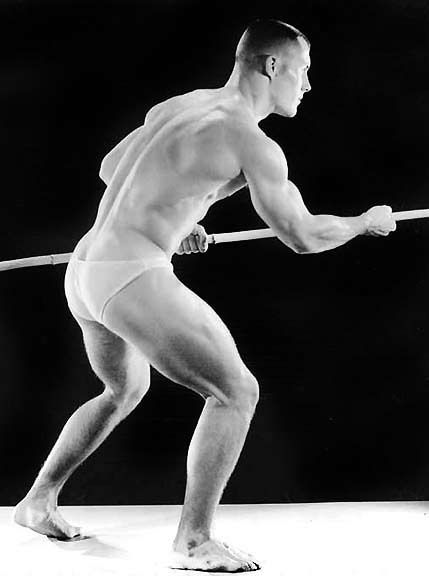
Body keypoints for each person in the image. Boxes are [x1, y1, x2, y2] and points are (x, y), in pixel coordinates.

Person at [14, 18, 396, 572]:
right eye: (305, 71)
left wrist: (183, 216)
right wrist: (365, 223)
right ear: (272, 66)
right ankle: (193, 542)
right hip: (130, 274)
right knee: (235, 391)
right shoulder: (253, 143)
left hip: (85, 268)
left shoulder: (182, 105)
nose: (309, 85)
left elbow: (110, 167)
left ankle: (37, 501)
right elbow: (303, 236)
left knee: (122, 389)